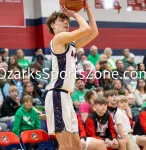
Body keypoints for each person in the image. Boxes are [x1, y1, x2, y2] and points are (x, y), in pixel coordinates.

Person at [45, 0, 98, 149]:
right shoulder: (58, 39)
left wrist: (87, 9)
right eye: (62, 20)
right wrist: (74, 14)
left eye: (67, 20)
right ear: (52, 25)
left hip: (66, 97)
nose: (66, 22)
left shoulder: (71, 44)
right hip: (57, 95)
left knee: (76, 146)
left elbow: (93, 32)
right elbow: (85, 28)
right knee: (66, 146)